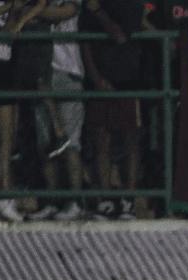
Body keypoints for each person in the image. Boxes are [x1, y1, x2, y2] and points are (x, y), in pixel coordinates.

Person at [0, 0, 44, 222]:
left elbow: (33, 11)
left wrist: (16, 14)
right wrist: (5, 11)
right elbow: (2, 32)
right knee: (4, 139)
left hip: (7, 69)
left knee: (4, 139)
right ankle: (3, 195)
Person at [80, 0, 145, 220]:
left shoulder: (131, 5)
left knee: (130, 141)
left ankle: (128, 201)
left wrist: (97, 10)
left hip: (128, 79)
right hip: (100, 80)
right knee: (101, 139)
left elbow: (119, 35)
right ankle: (104, 200)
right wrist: (95, 76)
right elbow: (85, 40)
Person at [26, 0, 86, 221]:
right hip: (40, 73)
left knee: (71, 143)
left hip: (68, 73)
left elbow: (64, 12)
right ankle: (51, 202)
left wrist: (34, 11)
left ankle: (74, 202)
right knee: (46, 143)